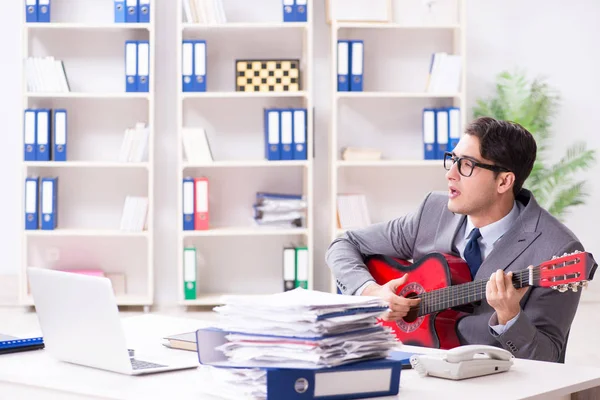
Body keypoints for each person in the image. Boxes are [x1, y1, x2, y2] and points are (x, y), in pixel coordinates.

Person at [325, 116, 595, 363]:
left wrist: (510, 317)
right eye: (452, 160)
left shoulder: (557, 250)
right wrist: (371, 291)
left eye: (466, 165)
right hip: (415, 366)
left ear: (504, 182)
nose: (450, 174)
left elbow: (549, 358)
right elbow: (345, 244)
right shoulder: (432, 211)